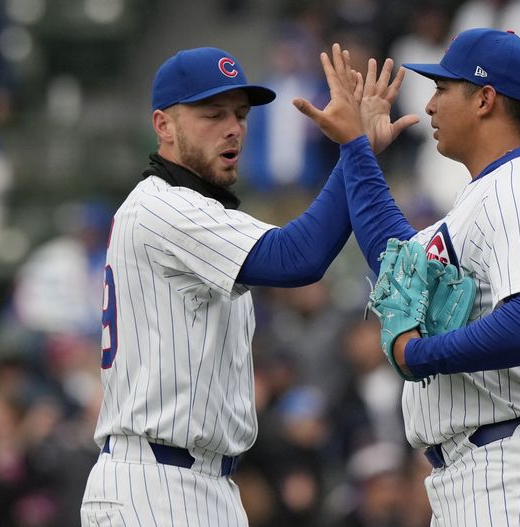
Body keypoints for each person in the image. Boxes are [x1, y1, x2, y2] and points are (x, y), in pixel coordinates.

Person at [293, 30, 520, 525]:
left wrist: (420, 354)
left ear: (485, 99)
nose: (431, 105)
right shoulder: (486, 195)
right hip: (486, 470)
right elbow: (398, 259)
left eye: (443, 89)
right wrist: (356, 147)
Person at [80, 46, 373, 526]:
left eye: (240, 113)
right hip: (153, 485)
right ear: (163, 125)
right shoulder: (162, 208)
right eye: (212, 114)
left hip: (203, 485)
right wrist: (354, 151)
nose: (233, 126)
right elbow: (297, 258)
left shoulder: (200, 211)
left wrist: (358, 155)